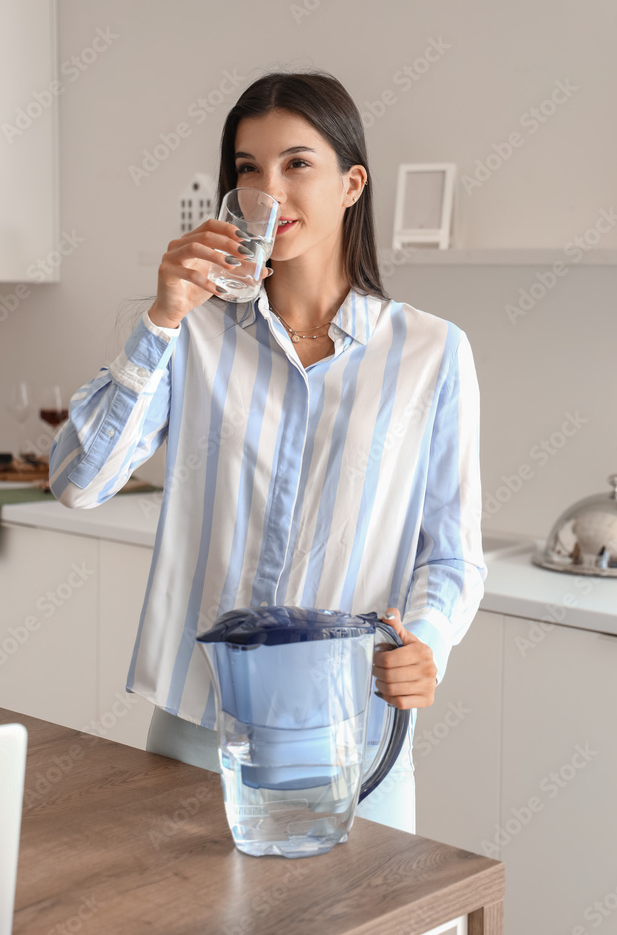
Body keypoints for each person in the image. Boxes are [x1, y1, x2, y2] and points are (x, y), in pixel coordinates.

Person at [49, 70, 486, 835]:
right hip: (198, 723)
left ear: (352, 184)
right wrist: (159, 318)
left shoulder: (432, 353)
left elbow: (450, 556)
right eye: (248, 169)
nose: (270, 190)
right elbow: (77, 481)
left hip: (352, 730)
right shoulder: (194, 334)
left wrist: (429, 643)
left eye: (296, 164)